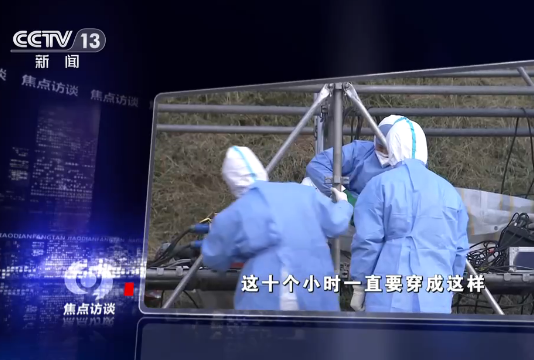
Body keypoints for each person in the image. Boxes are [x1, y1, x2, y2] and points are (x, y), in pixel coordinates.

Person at [201, 146, 353, 311]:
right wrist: (343, 203)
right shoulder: (303, 193)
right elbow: (337, 223)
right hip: (314, 289)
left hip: (267, 293)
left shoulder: (236, 212)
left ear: (231, 182)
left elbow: (214, 258)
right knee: (318, 327)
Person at [349, 119, 470, 313]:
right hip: (436, 295)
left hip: (389, 293)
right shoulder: (449, 192)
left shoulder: (379, 185)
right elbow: (460, 249)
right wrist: (450, 287)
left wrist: (360, 285)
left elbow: (367, 242)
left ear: (393, 146)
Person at [306, 115, 407, 205]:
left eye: (388, 149)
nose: (384, 152)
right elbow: (317, 165)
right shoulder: (360, 150)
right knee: (309, 183)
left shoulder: (407, 163)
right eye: (380, 147)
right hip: (347, 204)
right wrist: (343, 193)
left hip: (381, 212)